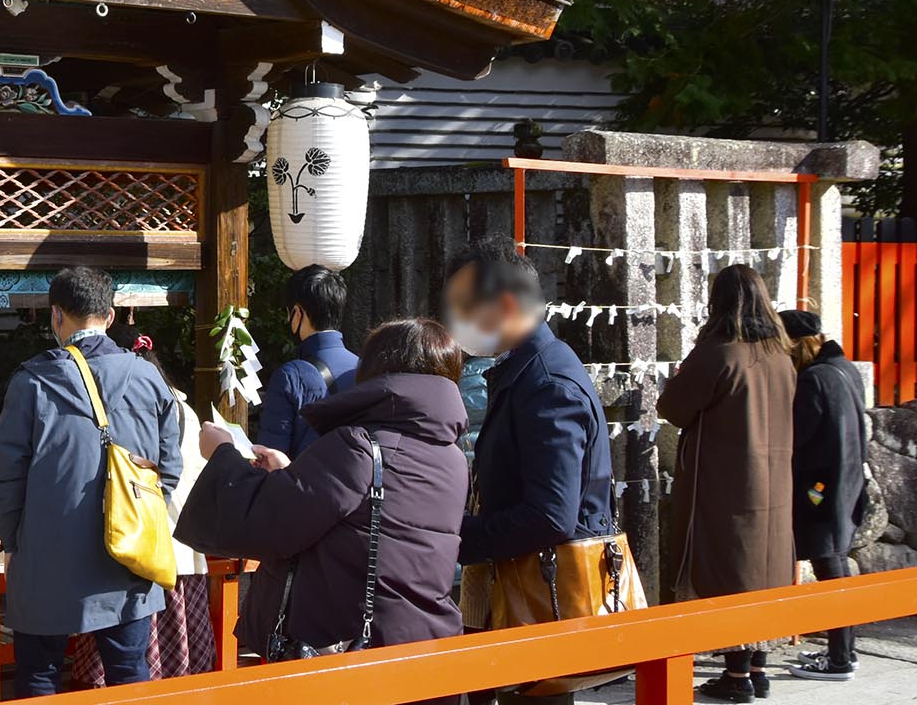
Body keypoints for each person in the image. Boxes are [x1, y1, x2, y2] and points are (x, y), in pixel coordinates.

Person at [176, 318, 468, 678]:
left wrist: (222, 455)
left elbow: (265, 523)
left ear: (377, 368)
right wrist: (291, 472)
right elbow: (357, 517)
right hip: (424, 645)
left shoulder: (358, 446)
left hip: (351, 654)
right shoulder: (452, 455)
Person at [0, 267, 182, 697]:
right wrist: (141, 511)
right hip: (129, 555)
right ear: (110, 317)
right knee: (129, 673)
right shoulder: (148, 377)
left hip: (46, 556)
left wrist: (12, 539)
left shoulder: (33, 381)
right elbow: (169, 464)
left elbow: (5, 470)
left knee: (39, 673)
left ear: (55, 315)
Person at [448, 239, 613, 705]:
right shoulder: (528, 369)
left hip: (545, 594)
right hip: (529, 589)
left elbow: (550, 515)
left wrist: (457, 537)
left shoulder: (546, 382)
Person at [656, 265, 796, 703]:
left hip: (725, 480)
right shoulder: (781, 356)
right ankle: (756, 667)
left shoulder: (719, 353)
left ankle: (736, 677)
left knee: (730, 565)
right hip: (773, 482)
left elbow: (674, 408)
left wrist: (676, 379)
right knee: (762, 566)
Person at [68, 341, 217, 687]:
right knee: (180, 658)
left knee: (126, 659)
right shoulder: (181, 405)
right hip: (179, 549)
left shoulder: (116, 404)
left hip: (132, 547)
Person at [780, 308, 867, 682]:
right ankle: (844, 650)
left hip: (819, 489)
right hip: (845, 482)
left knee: (829, 566)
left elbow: (796, 437)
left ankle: (839, 660)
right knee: (836, 565)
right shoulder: (844, 369)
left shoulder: (814, 380)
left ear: (796, 343)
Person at [254, 266, 356, 455]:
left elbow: (269, 456)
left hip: (307, 482)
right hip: (357, 483)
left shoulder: (291, 376)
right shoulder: (366, 368)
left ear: (297, 312)